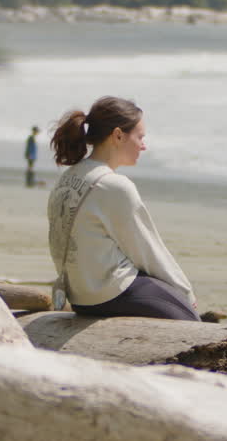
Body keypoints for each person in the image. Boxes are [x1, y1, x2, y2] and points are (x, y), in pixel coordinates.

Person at [46, 96, 198, 321]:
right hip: (112, 293)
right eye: (140, 137)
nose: (144, 146)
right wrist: (186, 294)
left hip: (79, 298)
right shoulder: (113, 186)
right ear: (118, 135)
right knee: (192, 323)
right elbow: (147, 252)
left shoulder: (66, 178)